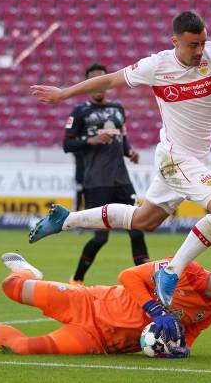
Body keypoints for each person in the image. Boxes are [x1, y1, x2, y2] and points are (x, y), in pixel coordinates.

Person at [29, 11, 211, 307]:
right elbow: (110, 80)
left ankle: (66, 220)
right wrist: (64, 94)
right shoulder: (156, 65)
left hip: (190, 160)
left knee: (144, 220)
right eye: (192, 45)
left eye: (202, 42)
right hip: (177, 157)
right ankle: (171, 271)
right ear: (174, 41)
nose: (199, 50)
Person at [0, 253, 211, 357]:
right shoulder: (183, 269)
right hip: (88, 302)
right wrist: (155, 310)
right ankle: (30, 272)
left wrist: (178, 350)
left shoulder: (210, 310)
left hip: (98, 341)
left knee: (22, 348)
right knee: (11, 286)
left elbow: (185, 338)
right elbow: (129, 276)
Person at [63, 62, 148, 285]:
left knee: (137, 229)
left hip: (121, 180)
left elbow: (123, 138)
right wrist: (90, 140)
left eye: (102, 79)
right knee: (101, 237)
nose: (99, 86)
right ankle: (77, 278)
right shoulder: (79, 112)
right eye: (94, 80)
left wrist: (129, 151)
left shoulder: (118, 109)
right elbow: (67, 144)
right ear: (87, 85)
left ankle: (148, 280)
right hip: (96, 182)